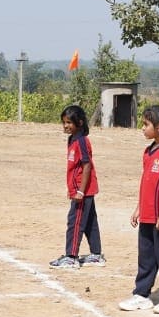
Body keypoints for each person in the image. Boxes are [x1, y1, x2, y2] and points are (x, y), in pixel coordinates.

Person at [119, 105, 159, 314]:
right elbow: (147, 183)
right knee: (146, 256)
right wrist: (138, 208)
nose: (143, 128)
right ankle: (142, 294)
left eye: (146, 124)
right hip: (146, 215)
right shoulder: (148, 152)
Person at [51, 104, 104, 268]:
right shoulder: (72, 139)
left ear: (79, 123)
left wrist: (81, 190)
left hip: (83, 191)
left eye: (69, 122)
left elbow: (87, 166)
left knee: (75, 222)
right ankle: (96, 254)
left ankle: (71, 256)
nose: (66, 126)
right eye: (64, 122)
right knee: (89, 222)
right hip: (79, 190)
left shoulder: (82, 141)